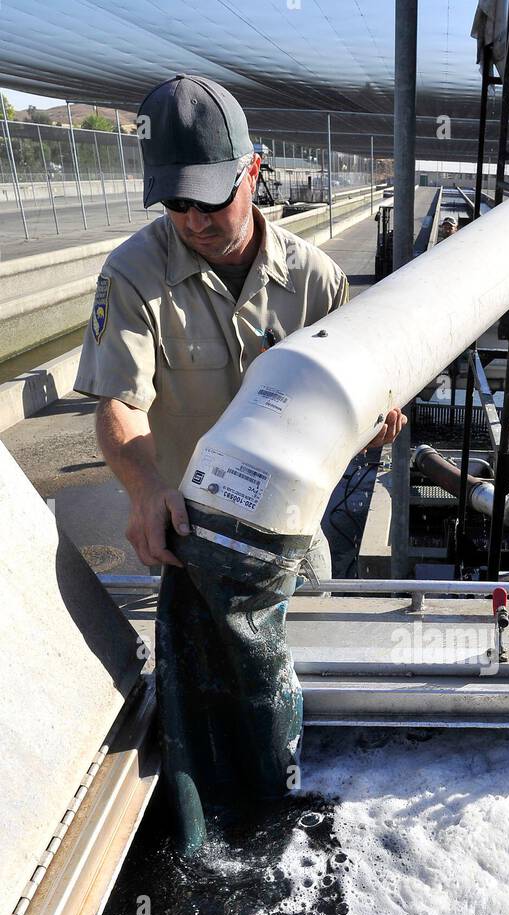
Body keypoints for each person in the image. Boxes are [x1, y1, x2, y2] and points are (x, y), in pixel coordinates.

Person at [75, 73, 405, 581]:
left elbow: (349, 402)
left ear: (252, 171)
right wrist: (145, 491)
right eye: (176, 204)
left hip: (288, 519)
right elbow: (120, 401)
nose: (193, 222)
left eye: (210, 201)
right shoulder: (132, 276)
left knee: (316, 597)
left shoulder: (317, 281)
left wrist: (371, 425)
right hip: (189, 523)